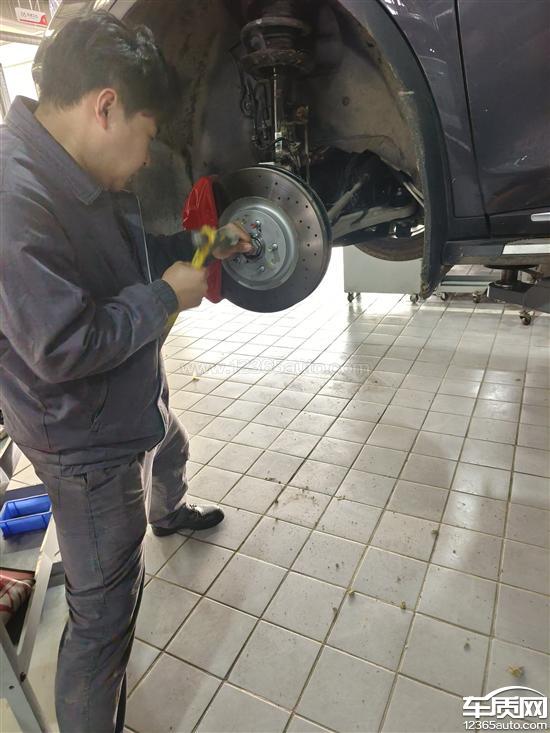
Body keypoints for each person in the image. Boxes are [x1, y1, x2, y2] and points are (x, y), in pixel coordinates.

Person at [0, 11, 251, 733]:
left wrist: (200, 244)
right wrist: (164, 297)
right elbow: (62, 344)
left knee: (167, 440)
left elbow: (129, 258)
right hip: (85, 439)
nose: (145, 159)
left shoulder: (66, 163)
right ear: (105, 107)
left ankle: (167, 512)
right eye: (147, 135)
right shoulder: (16, 198)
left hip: (125, 388)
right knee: (104, 611)